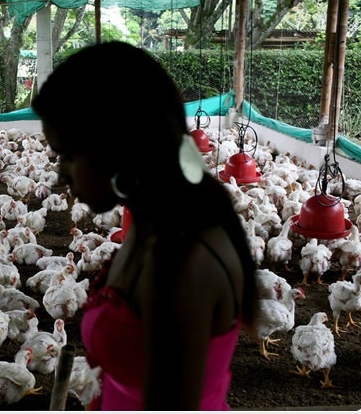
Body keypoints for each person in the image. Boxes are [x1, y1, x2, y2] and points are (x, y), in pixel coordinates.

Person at [31, 41, 258, 410]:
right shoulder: (154, 223)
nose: (61, 174)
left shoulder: (183, 261)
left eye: (69, 157)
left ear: (115, 148)